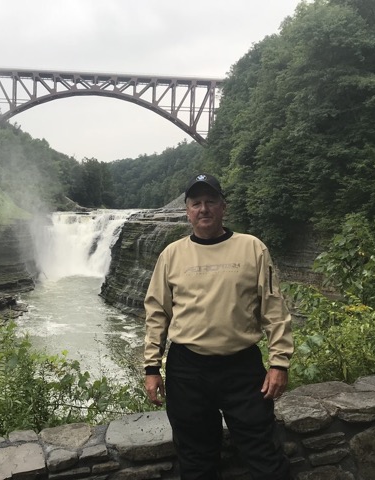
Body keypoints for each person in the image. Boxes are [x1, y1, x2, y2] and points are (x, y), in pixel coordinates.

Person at [143, 173, 294, 480]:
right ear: (187, 210)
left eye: (211, 201)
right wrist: (151, 368)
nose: (204, 209)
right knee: (196, 459)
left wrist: (279, 363)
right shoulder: (172, 254)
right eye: (196, 203)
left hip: (242, 367)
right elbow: (157, 313)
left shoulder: (252, 248)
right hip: (187, 370)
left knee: (263, 452)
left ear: (223, 207)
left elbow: (274, 308)